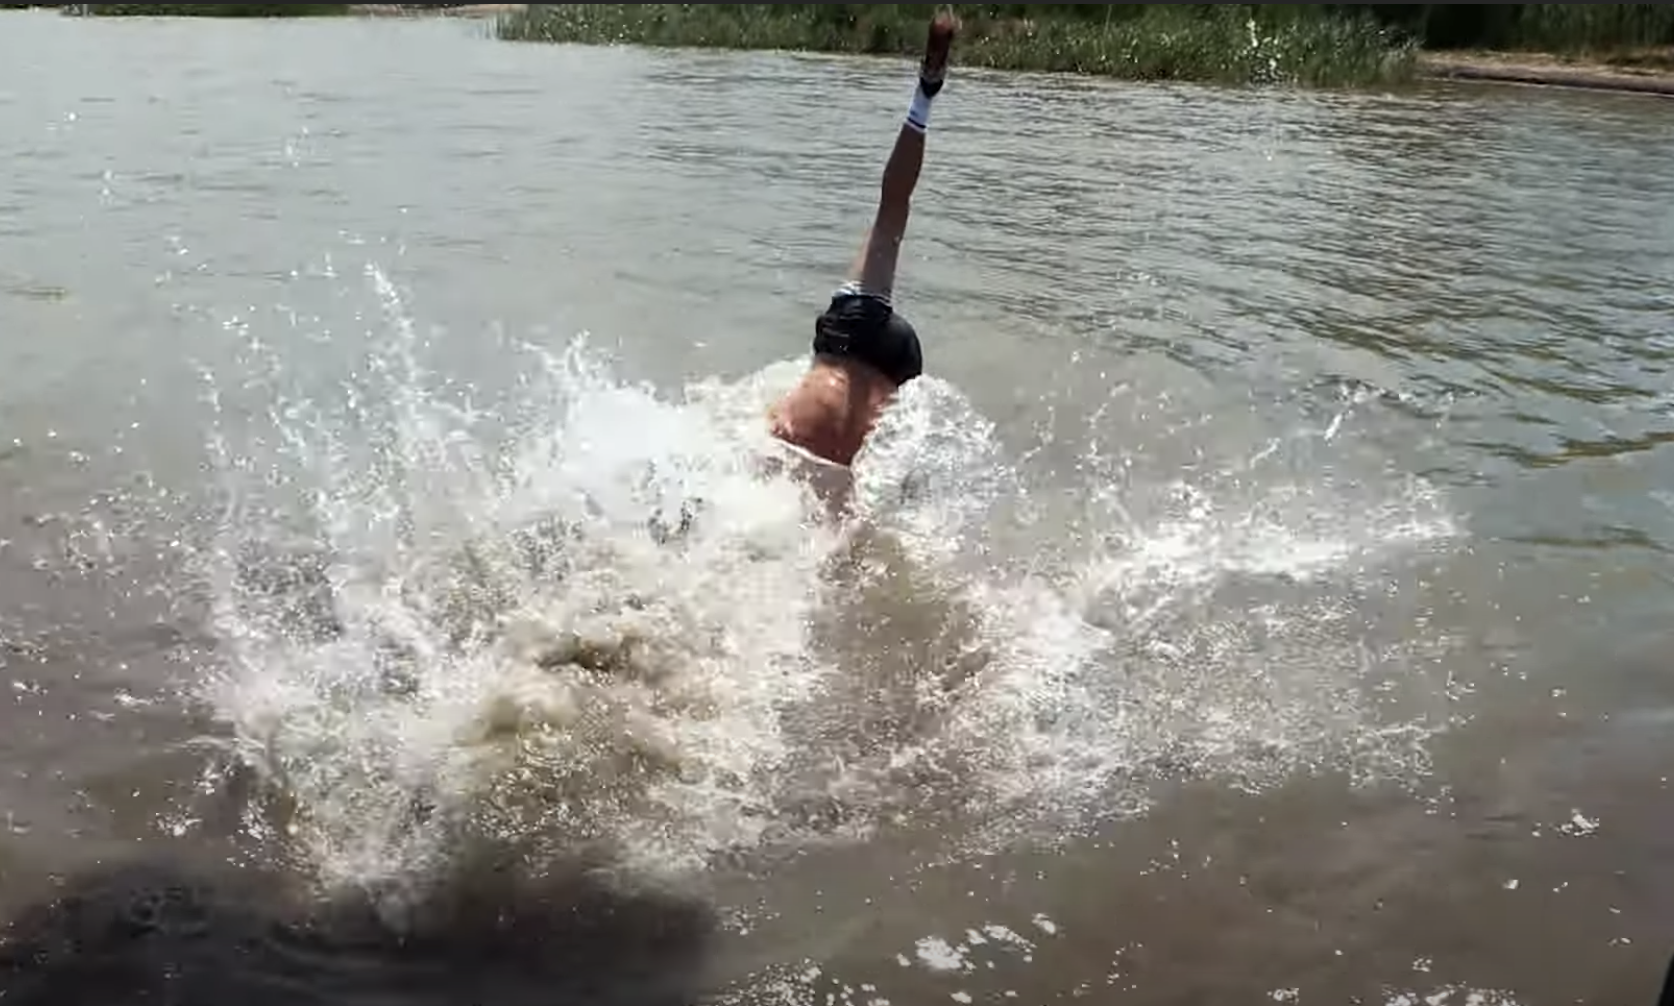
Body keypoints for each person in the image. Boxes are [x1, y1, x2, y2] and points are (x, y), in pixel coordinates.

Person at [767, 11, 958, 479]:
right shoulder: (778, 426)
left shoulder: (784, 438)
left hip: (889, 381)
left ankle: (924, 97)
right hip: (857, 331)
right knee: (892, 209)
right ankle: (924, 98)